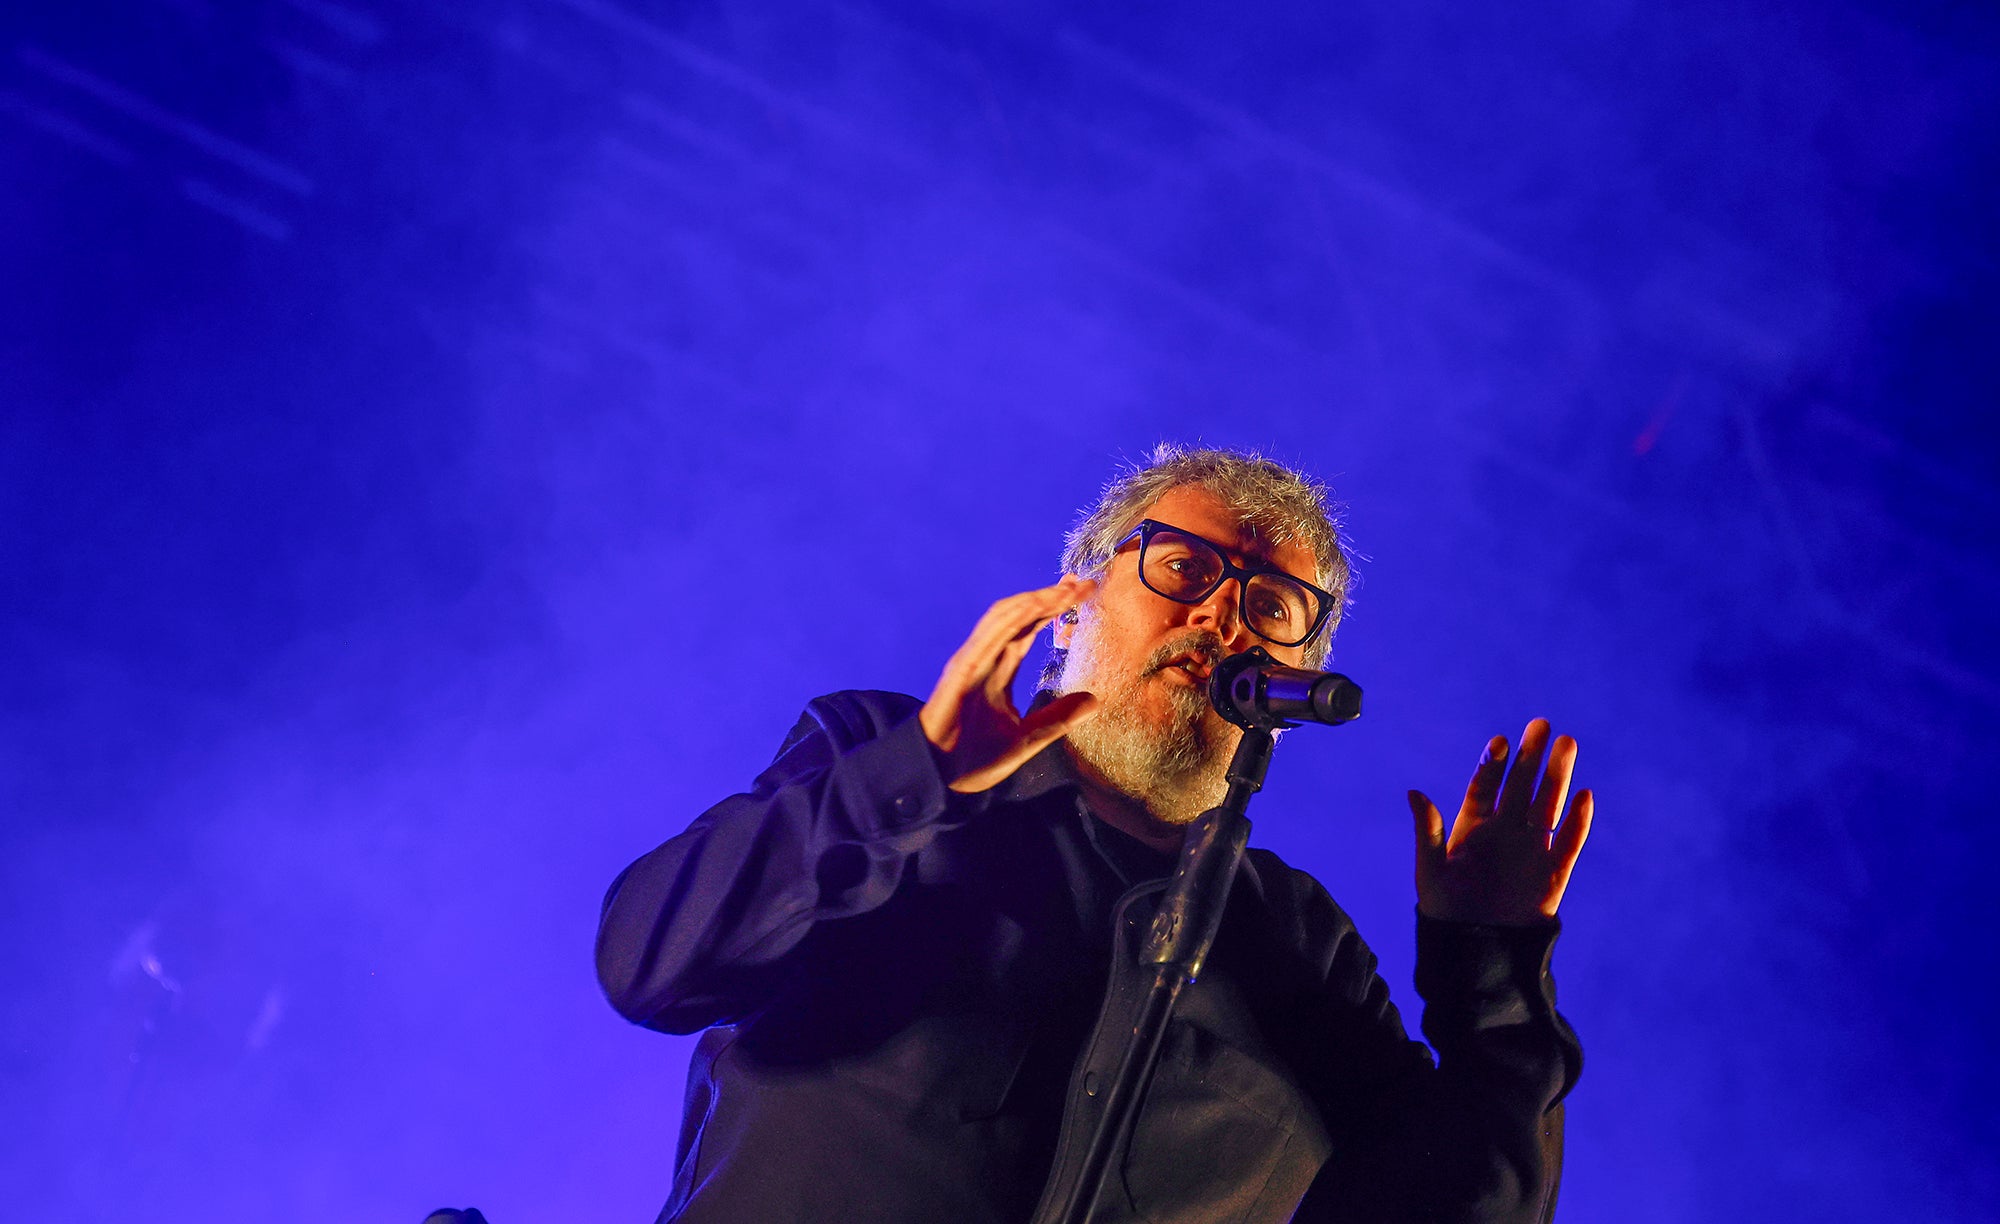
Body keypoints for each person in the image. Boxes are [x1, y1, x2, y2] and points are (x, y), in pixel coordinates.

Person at [596, 445, 1594, 1224]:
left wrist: (1491, 974)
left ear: (1292, 688)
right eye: (1179, 566)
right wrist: (917, 777)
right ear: (1077, 603)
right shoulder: (877, 752)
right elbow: (652, 964)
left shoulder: (1301, 947)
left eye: (1270, 605)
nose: (1216, 614)